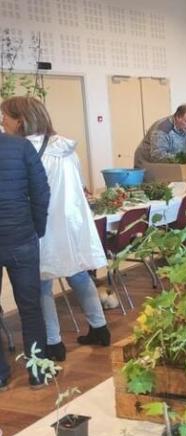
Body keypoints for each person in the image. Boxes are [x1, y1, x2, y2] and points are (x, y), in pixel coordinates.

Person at [1, 96, 111, 362]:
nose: (2, 123)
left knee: (41, 284)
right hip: (71, 222)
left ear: (20, 120)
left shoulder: (23, 149)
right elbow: (80, 183)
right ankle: (100, 327)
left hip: (42, 223)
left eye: (5, 117)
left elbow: (33, 192)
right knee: (79, 274)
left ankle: (53, 342)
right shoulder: (63, 146)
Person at [0, 98, 51, 388]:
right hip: (21, 237)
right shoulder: (21, 147)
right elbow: (41, 192)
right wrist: (37, 229)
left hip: (18, 234)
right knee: (30, 307)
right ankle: (38, 372)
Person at [133, 104, 186, 168]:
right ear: (178, 117)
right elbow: (158, 155)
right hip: (148, 164)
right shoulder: (162, 128)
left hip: (172, 166)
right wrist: (183, 159)